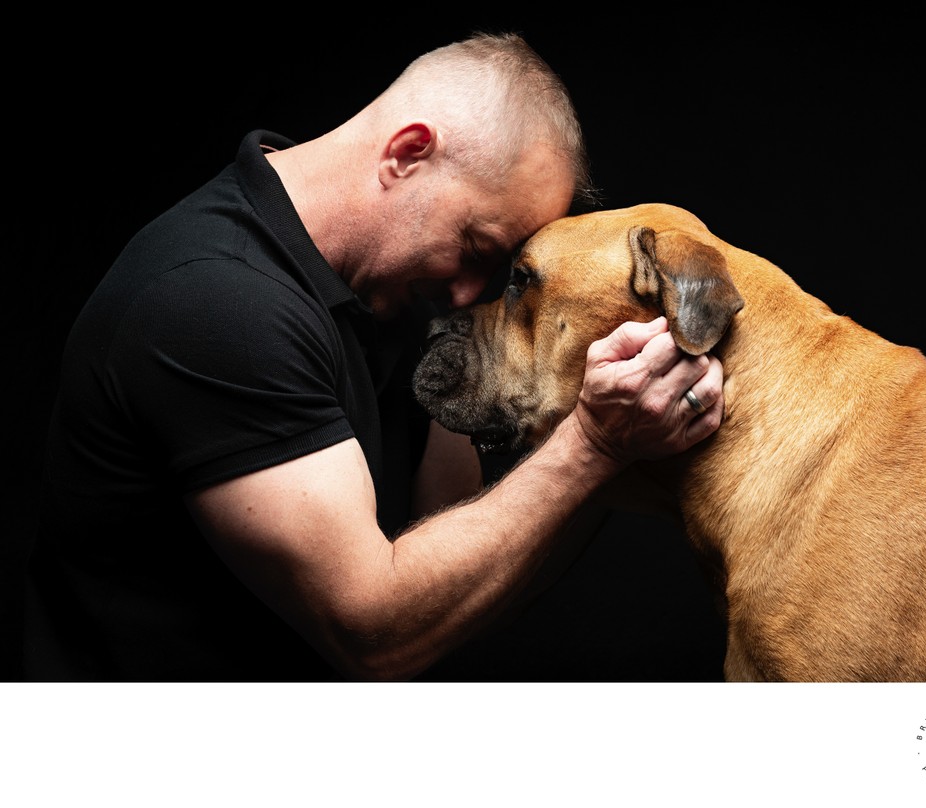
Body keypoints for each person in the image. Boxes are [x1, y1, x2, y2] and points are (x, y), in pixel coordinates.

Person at [23, 32, 724, 682]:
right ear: (406, 154)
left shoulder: (396, 291)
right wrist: (596, 444)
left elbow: (455, 554)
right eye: (477, 249)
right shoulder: (215, 305)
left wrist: (625, 423)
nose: (470, 292)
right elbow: (379, 633)